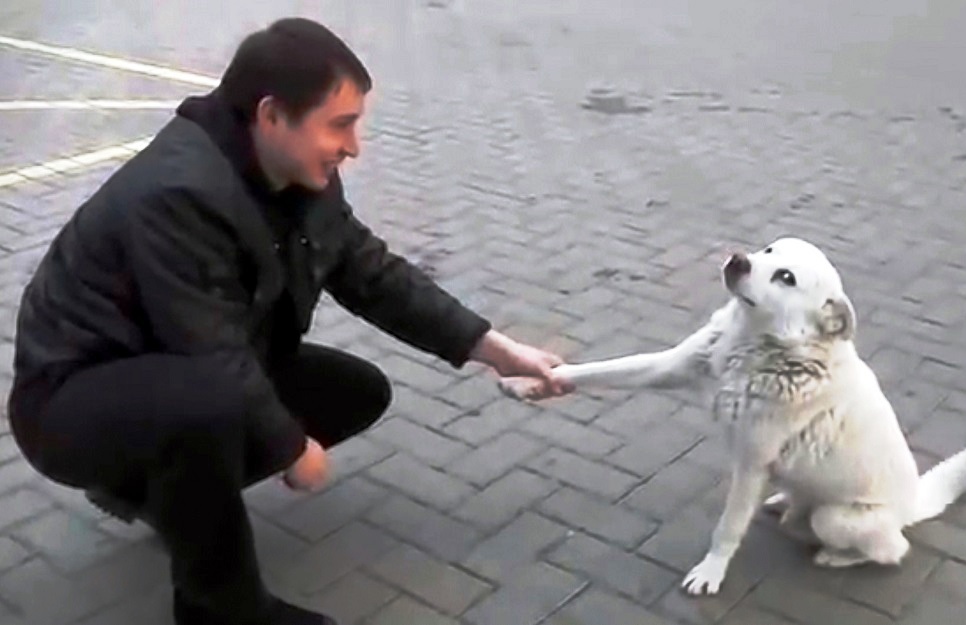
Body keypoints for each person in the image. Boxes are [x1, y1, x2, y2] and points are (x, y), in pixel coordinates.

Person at [5, 17, 571, 625]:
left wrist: (496, 350)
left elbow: (374, 276)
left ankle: (157, 497)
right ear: (272, 116)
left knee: (355, 393)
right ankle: (224, 610)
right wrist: (287, 445)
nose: (354, 146)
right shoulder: (177, 193)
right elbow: (208, 348)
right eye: (341, 124)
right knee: (211, 403)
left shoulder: (303, 177)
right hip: (69, 401)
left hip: (176, 373)